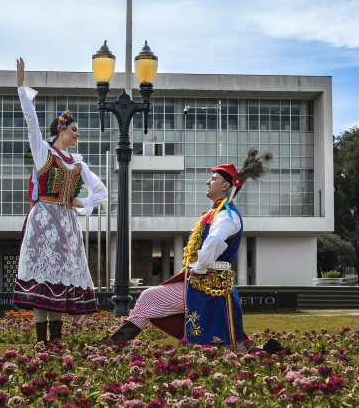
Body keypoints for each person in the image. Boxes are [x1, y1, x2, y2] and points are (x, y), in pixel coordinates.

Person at [107, 148, 290, 353]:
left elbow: (214, 241)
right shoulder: (218, 212)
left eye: (213, 178)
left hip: (207, 281)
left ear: (225, 185)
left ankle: (113, 346)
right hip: (207, 282)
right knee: (227, 342)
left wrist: (200, 268)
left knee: (153, 300)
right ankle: (114, 345)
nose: (208, 182)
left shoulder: (226, 215)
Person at [12, 57, 108, 345]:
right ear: (61, 131)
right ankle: (41, 340)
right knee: (43, 276)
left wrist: (84, 203)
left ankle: (55, 338)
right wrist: (21, 87)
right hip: (43, 219)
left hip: (65, 222)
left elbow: (101, 191)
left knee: (60, 278)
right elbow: (31, 121)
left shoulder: (78, 163)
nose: (77, 134)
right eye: (74, 129)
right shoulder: (43, 152)